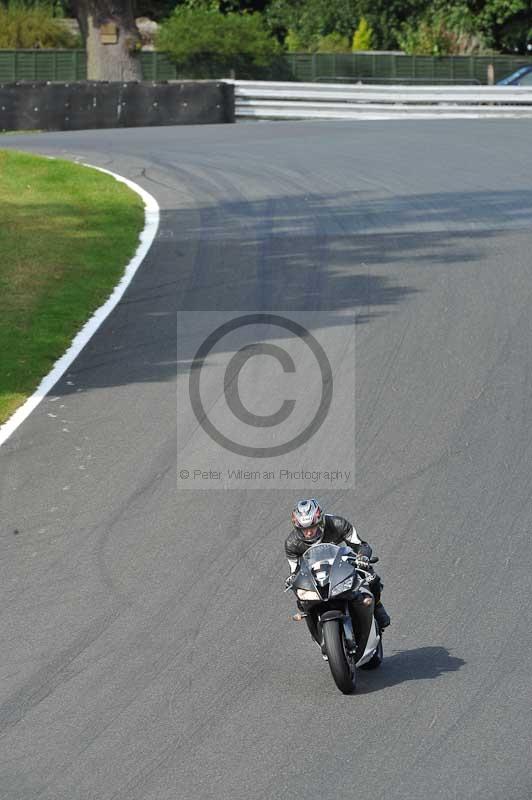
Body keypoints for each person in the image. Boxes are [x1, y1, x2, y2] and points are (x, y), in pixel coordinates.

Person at [285, 498, 390, 631]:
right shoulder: (292, 543)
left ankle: (377, 606)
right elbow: (294, 570)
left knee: (370, 576)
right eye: (304, 529)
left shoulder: (338, 524)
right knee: (300, 594)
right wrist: (292, 579)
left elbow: (361, 545)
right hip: (316, 571)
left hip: (343, 561)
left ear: (321, 522)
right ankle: (313, 623)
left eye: (312, 527)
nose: (309, 532)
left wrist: (362, 556)